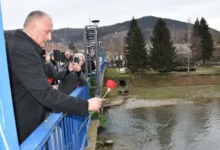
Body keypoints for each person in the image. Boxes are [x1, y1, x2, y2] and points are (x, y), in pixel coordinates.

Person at [5, 10, 102, 144]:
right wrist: (85, 105)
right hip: (24, 134)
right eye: (47, 31)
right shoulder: (22, 50)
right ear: (33, 28)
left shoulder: (18, 46)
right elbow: (45, 93)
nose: (50, 37)